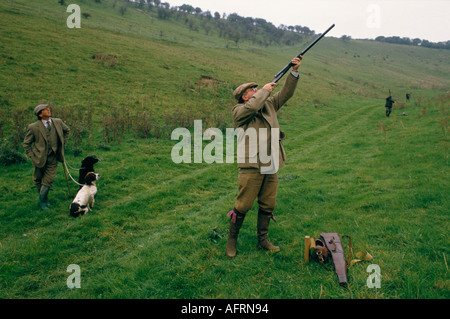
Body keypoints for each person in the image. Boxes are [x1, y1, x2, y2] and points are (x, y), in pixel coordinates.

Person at [226, 56, 302, 258]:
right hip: (251, 164)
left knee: (268, 203)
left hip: (270, 161)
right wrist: (265, 91)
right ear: (244, 96)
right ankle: (231, 241)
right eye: (252, 90)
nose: (256, 91)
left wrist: (293, 72)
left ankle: (263, 240)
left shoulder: (268, 104)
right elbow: (251, 107)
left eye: (257, 89)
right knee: (243, 205)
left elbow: (286, 94)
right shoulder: (239, 111)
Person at [23, 104, 70, 210]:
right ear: (40, 114)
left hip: (53, 157)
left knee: (48, 180)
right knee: (38, 180)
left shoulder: (58, 122)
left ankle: (41, 202)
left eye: (48, 108)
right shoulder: (33, 127)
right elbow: (26, 143)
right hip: (39, 158)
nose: (48, 110)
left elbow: (67, 131)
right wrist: (31, 155)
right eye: (44, 110)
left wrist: (62, 142)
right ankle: (45, 199)